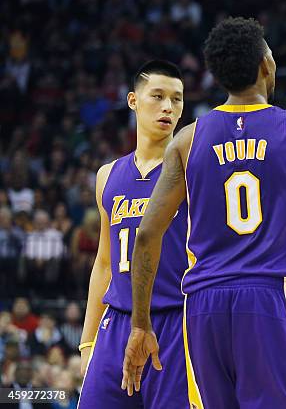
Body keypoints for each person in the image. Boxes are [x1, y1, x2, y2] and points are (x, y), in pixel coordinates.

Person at [121, 17, 286, 409]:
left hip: (202, 304)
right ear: (265, 64)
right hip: (270, 297)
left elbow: (145, 235)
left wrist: (141, 324)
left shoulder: (187, 140)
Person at [77, 60, 189, 408]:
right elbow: (104, 265)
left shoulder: (192, 170)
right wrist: (87, 343)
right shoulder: (107, 176)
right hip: (116, 324)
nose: (168, 107)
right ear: (133, 100)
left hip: (174, 322)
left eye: (177, 99)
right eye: (157, 96)